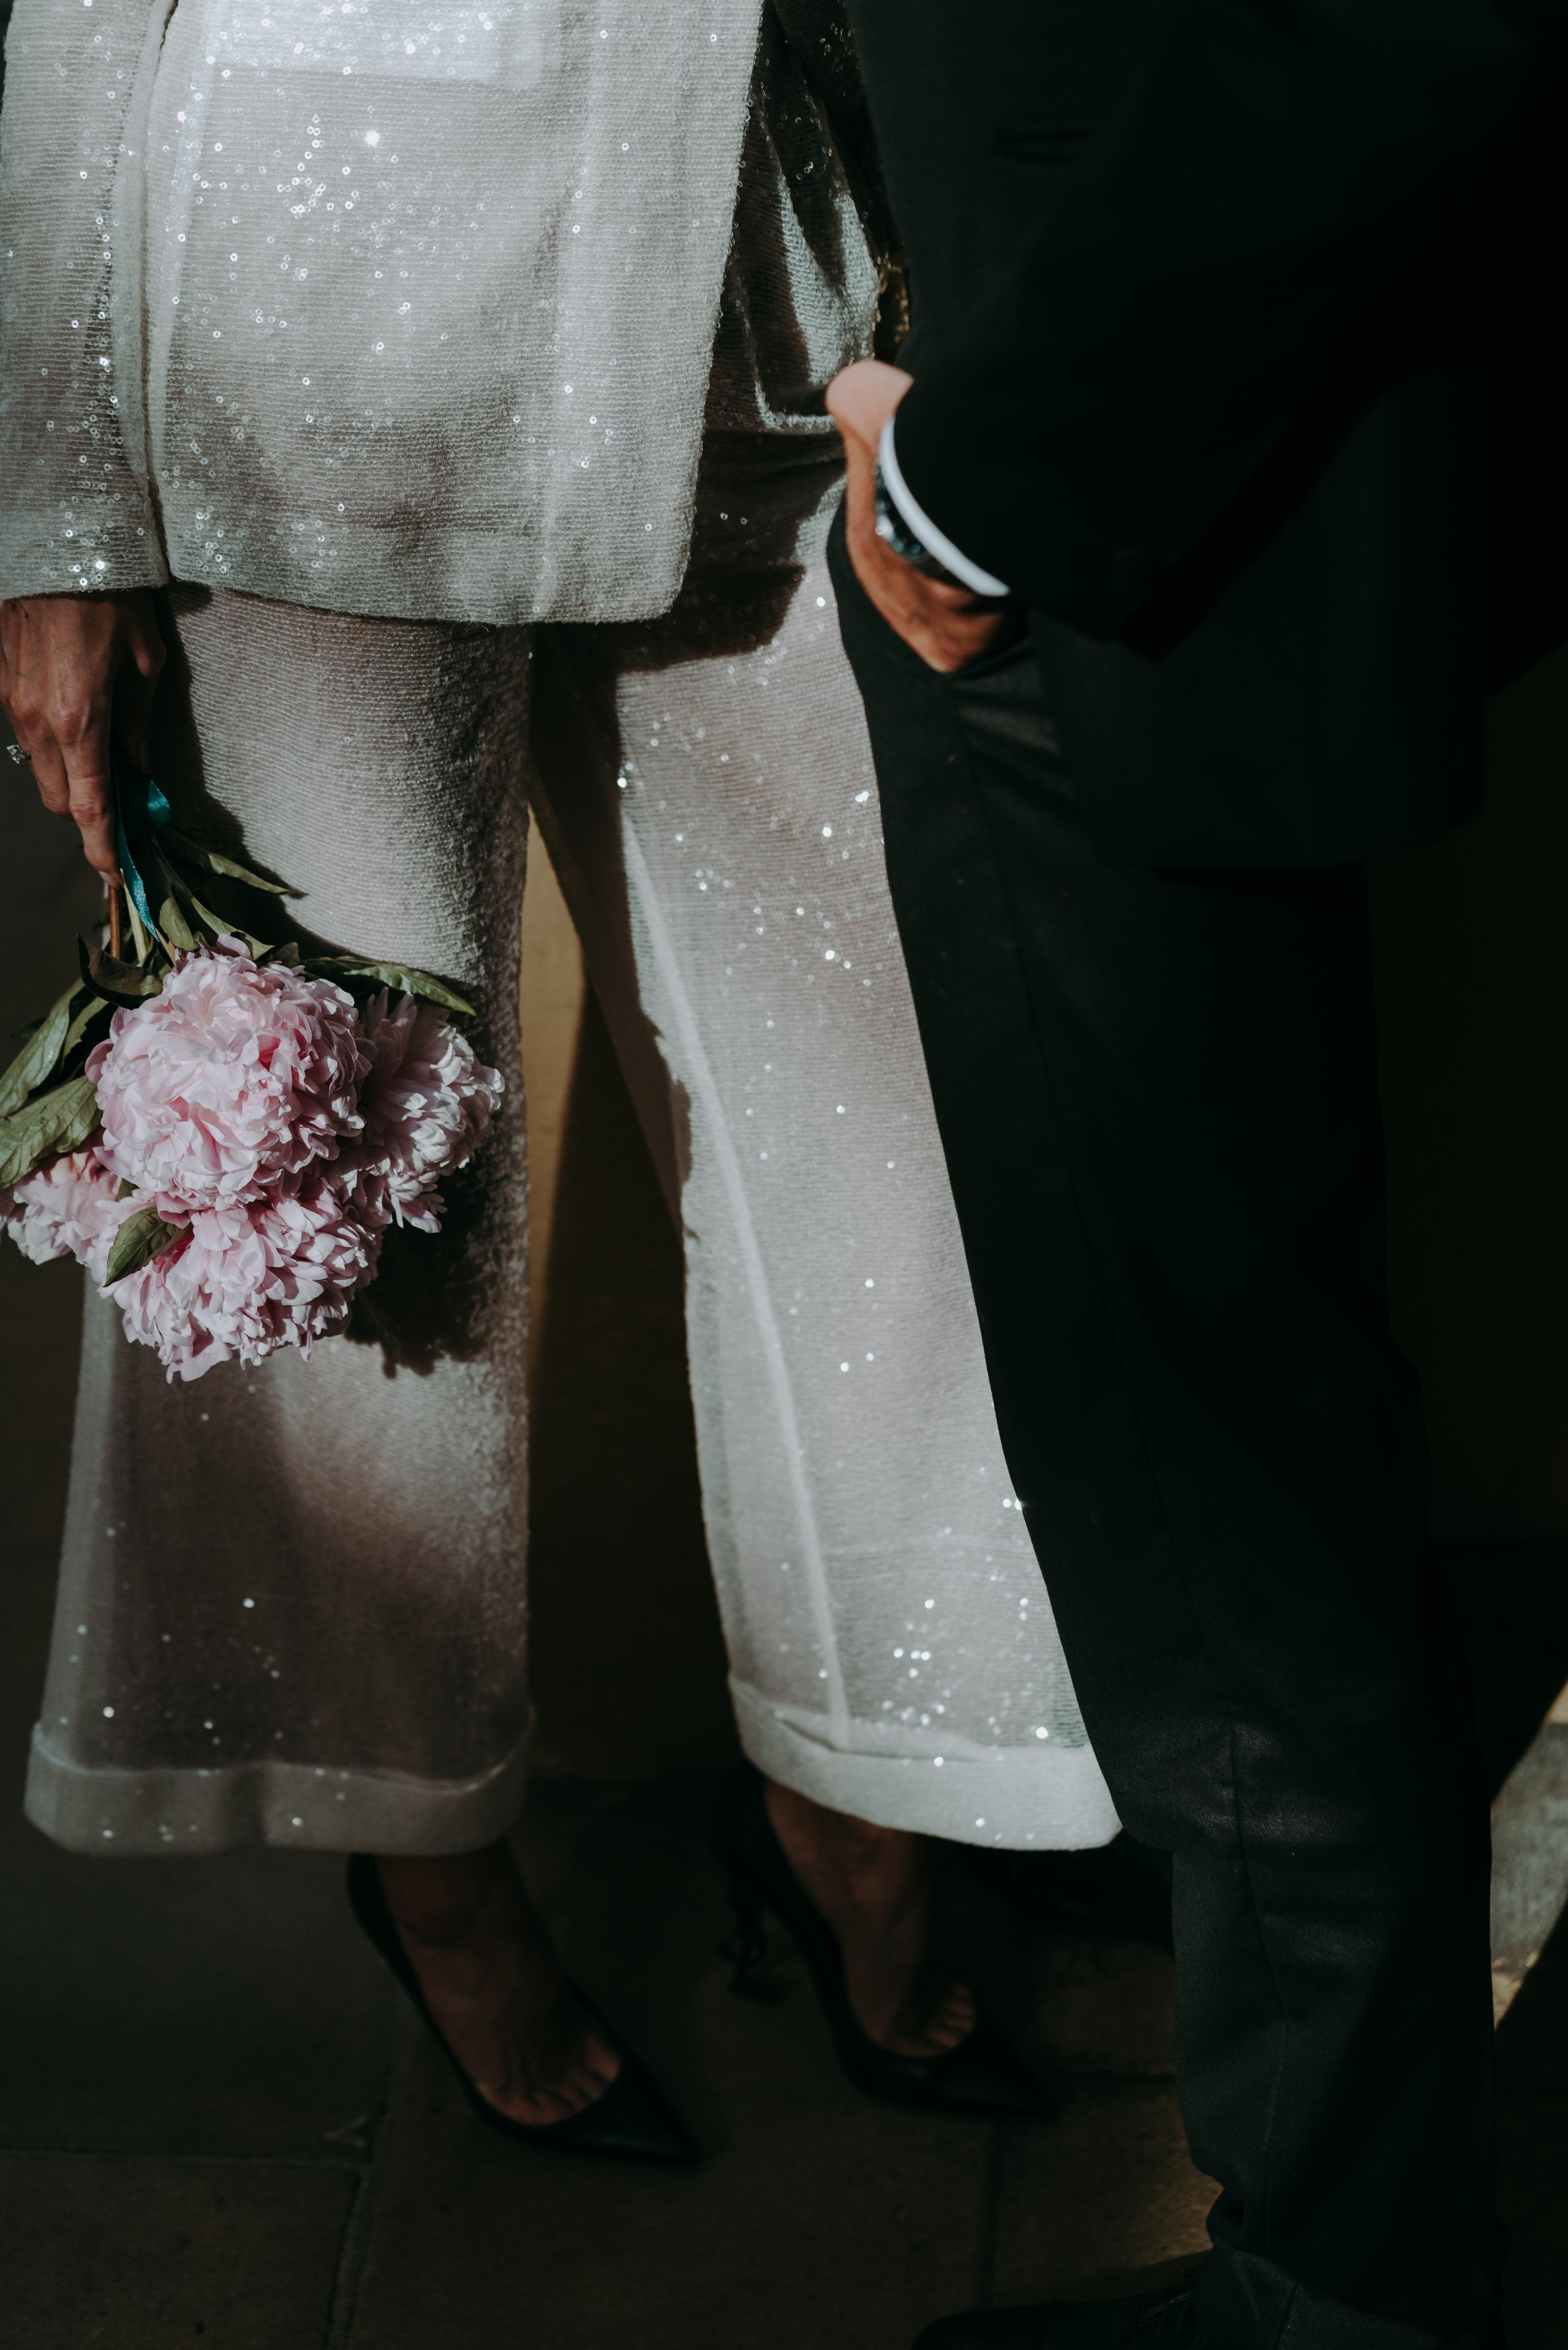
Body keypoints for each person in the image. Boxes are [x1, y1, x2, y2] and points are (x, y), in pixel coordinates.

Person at [0, 0, 1118, 2160]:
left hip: (753, 299)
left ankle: (877, 1769)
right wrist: (53, 516)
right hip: (306, 346)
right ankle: (421, 1849)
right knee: (343, 1174)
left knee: (882, 1133)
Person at [821, 0, 1568, 2342]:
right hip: (1136, 461)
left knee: (1219, 1461)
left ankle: (1353, 2288)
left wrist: (985, 474)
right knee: (1230, 1421)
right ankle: (1357, 2239)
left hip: (1122, 502)